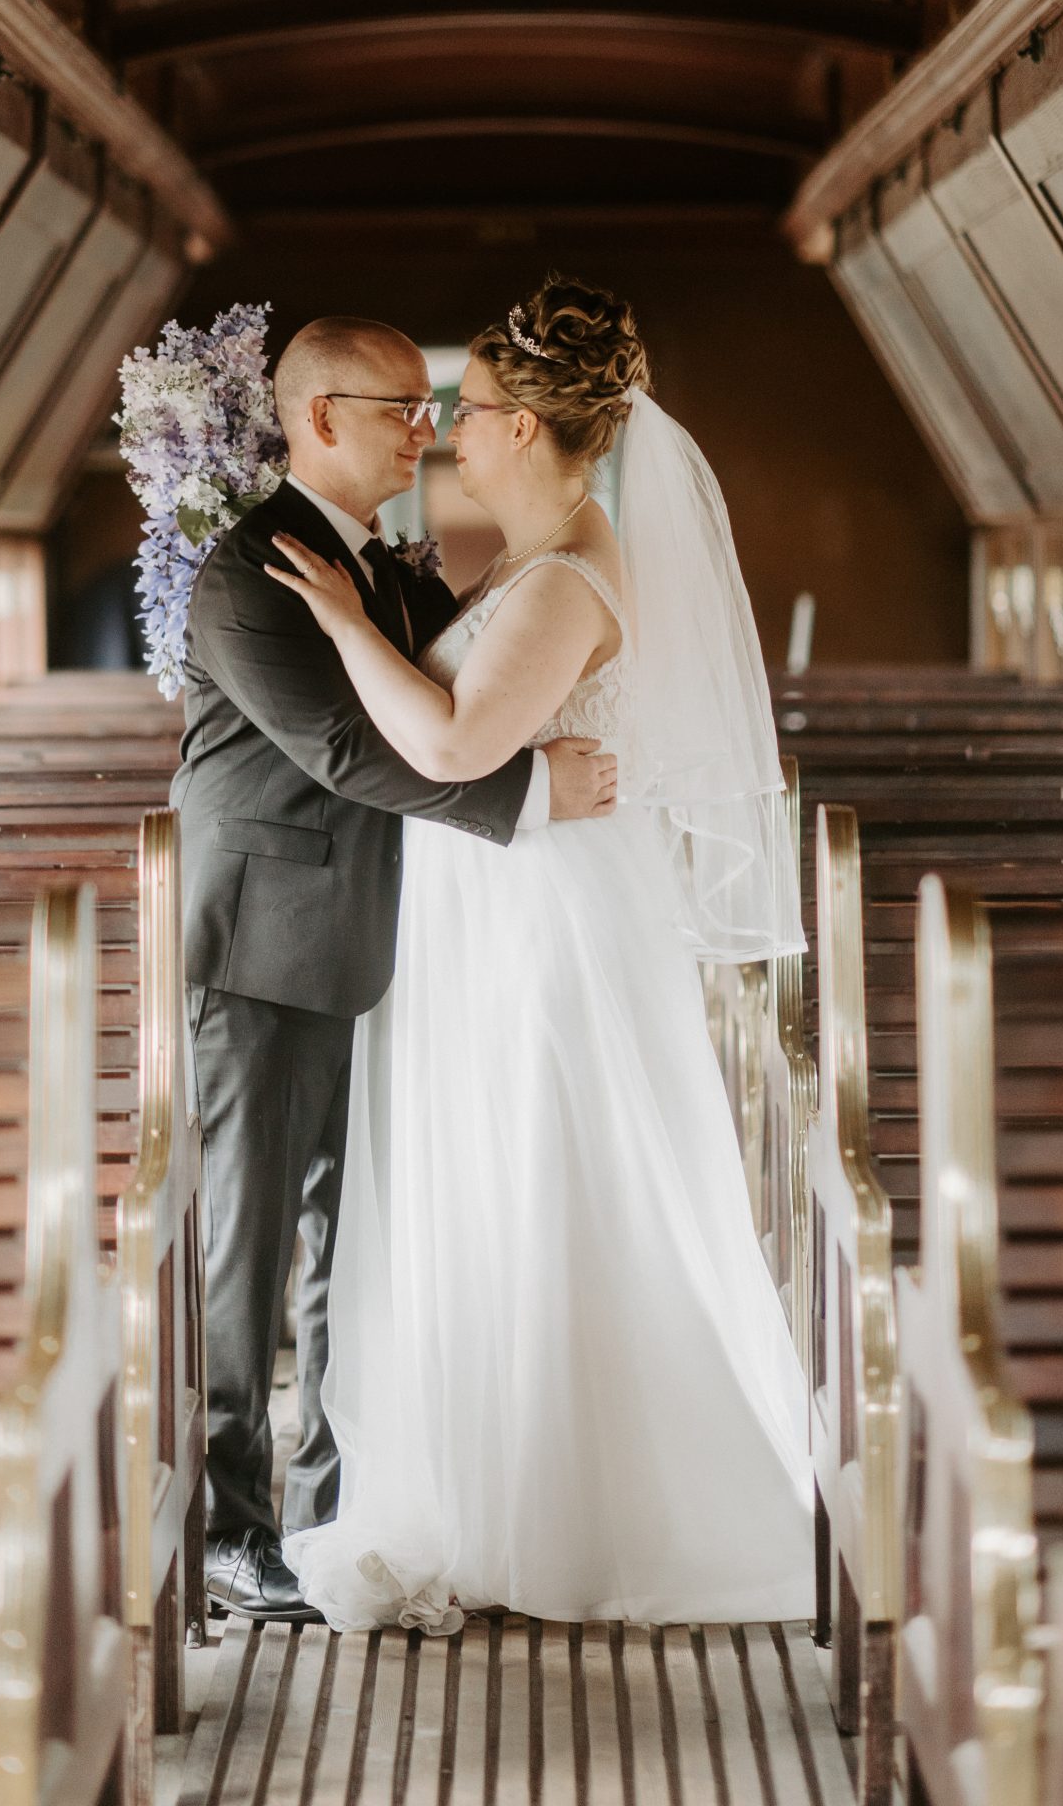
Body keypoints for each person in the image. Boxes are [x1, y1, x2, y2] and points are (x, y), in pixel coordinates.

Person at [267, 278, 815, 1628]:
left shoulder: (570, 575)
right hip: (500, 913)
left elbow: (457, 748)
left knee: (546, 1178)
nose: (452, 427)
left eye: (475, 408)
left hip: (544, 930)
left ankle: (572, 1515)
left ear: (528, 432)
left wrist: (340, 626)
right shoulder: (538, 561)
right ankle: (485, 1486)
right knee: (498, 1182)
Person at [173, 315, 619, 1622]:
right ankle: (227, 1526)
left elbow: (449, 687)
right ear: (318, 418)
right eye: (400, 407)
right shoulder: (247, 573)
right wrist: (526, 796)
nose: (424, 429)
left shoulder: (396, 568)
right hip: (257, 949)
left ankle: (325, 1512)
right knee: (246, 1251)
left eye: (436, 409)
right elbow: (342, 750)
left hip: (379, 944)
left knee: (341, 1237)